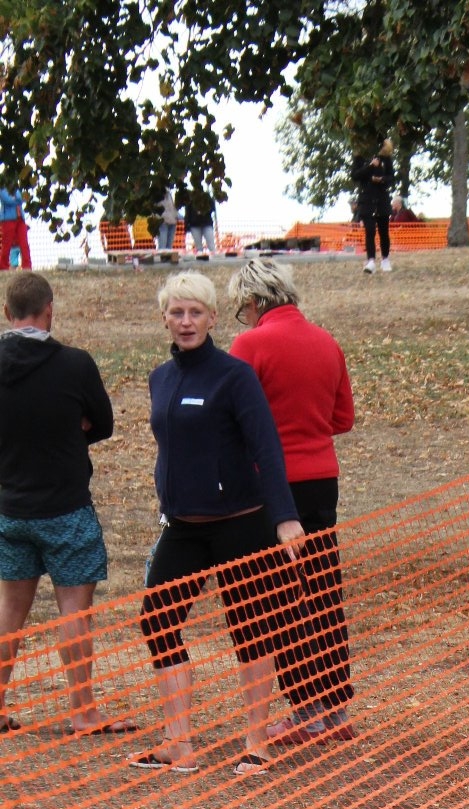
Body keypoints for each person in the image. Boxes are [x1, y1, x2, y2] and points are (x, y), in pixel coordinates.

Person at [131, 272, 303, 775]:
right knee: (157, 620)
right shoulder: (161, 378)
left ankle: (256, 742)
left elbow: (267, 449)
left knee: (252, 630)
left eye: (195, 313)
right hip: (183, 526)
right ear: (164, 318)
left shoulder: (235, 376)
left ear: (212, 318)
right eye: (177, 312)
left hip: (240, 524)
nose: (186, 322)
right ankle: (178, 742)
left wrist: (285, 518)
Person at [228, 258, 356, 743]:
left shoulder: (250, 345)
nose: (245, 316)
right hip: (322, 479)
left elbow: (232, 415)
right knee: (323, 592)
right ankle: (337, 707)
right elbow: (342, 418)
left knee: (281, 599)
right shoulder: (326, 341)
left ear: (254, 301)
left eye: (243, 308)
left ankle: (305, 709)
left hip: (273, 487)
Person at [0, 272, 127, 735]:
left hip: (11, 508)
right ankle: (83, 710)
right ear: (49, 309)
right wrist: (70, 432)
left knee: (9, 611)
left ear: (7, 313)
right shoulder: (75, 364)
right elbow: (105, 423)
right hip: (67, 508)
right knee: (75, 611)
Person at [352, 142, 394, 273]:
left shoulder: (386, 159)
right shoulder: (360, 158)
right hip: (367, 201)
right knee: (369, 232)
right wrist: (370, 166)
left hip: (382, 200)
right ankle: (370, 261)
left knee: (383, 232)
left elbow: (391, 178)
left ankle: (385, 259)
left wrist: (381, 179)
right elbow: (355, 175)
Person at [0, 187, 32, 271]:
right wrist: (18, 199)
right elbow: (7, 200)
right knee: (6, 244)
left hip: (20, 219)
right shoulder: (2, 187)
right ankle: (3, 267)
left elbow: (21, 198)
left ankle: (27, 267)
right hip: (7, 219)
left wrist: (16, 199)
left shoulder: (16, 187)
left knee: (24, 243)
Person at [182, 189, 217, 259]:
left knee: (211, 245)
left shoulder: (206, 197)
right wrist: (186, 225)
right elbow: (187, 213)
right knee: (199, 247)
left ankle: (214, 259)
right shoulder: (190, 199)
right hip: (194, 224)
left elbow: (212, 208)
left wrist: (204, 211)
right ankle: (201, 261)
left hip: (206, 223)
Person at [157, 187, 180, 255]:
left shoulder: (171, 192)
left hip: (172, 220)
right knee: (163, 245)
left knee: (169, 246)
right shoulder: (157, 193)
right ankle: (162, 258)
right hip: (163, 221)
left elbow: (173, 206)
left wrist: (176, 216)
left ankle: (167, 258)